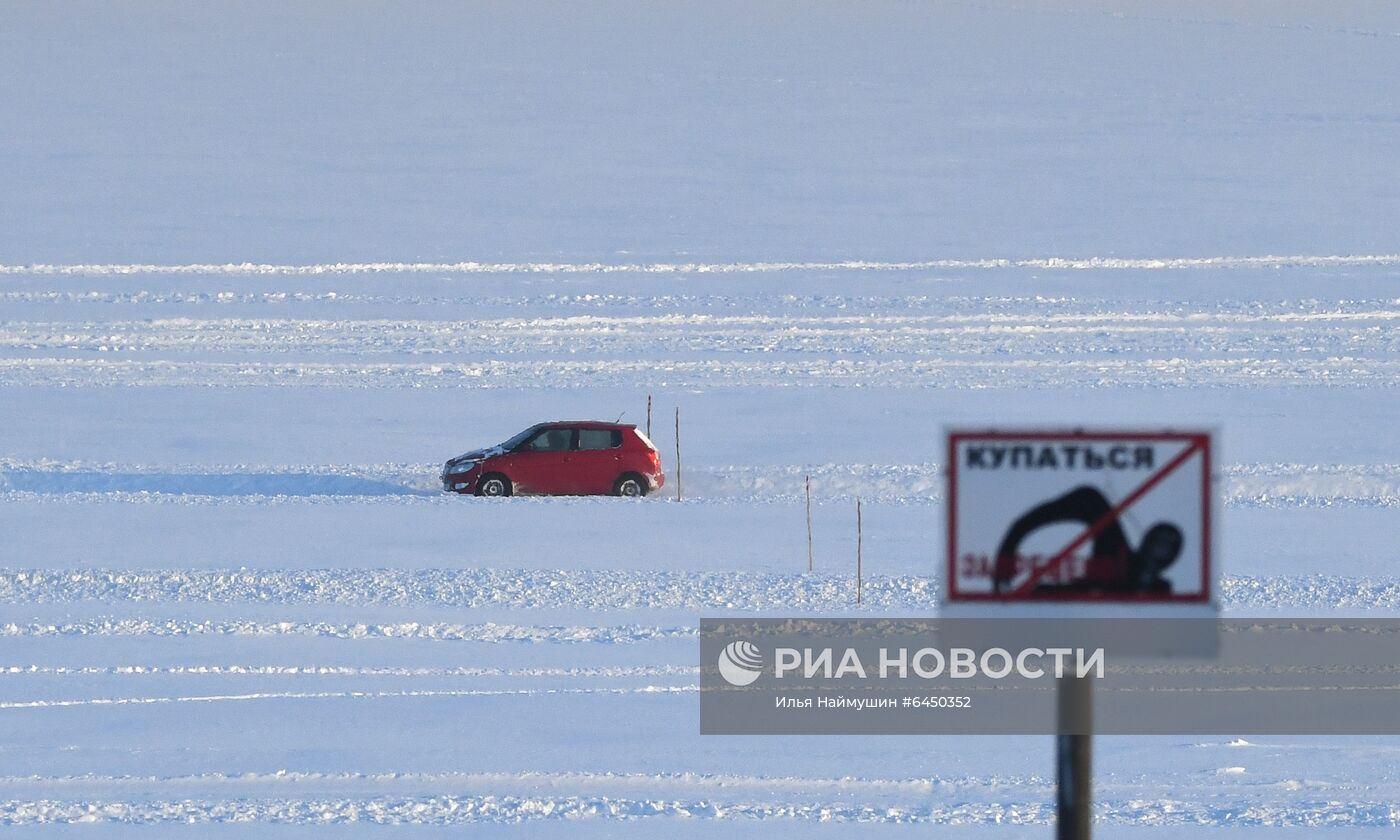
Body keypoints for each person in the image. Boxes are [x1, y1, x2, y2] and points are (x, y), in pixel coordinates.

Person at [992, 485, 1182, 595]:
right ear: (1147, 540)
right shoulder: (1116, 551)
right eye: (1158, 540)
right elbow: (1090, 500)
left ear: (1172, 556)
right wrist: (1006, 558)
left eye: (1168, 545)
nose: (1161, 547)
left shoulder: (1161, 592)